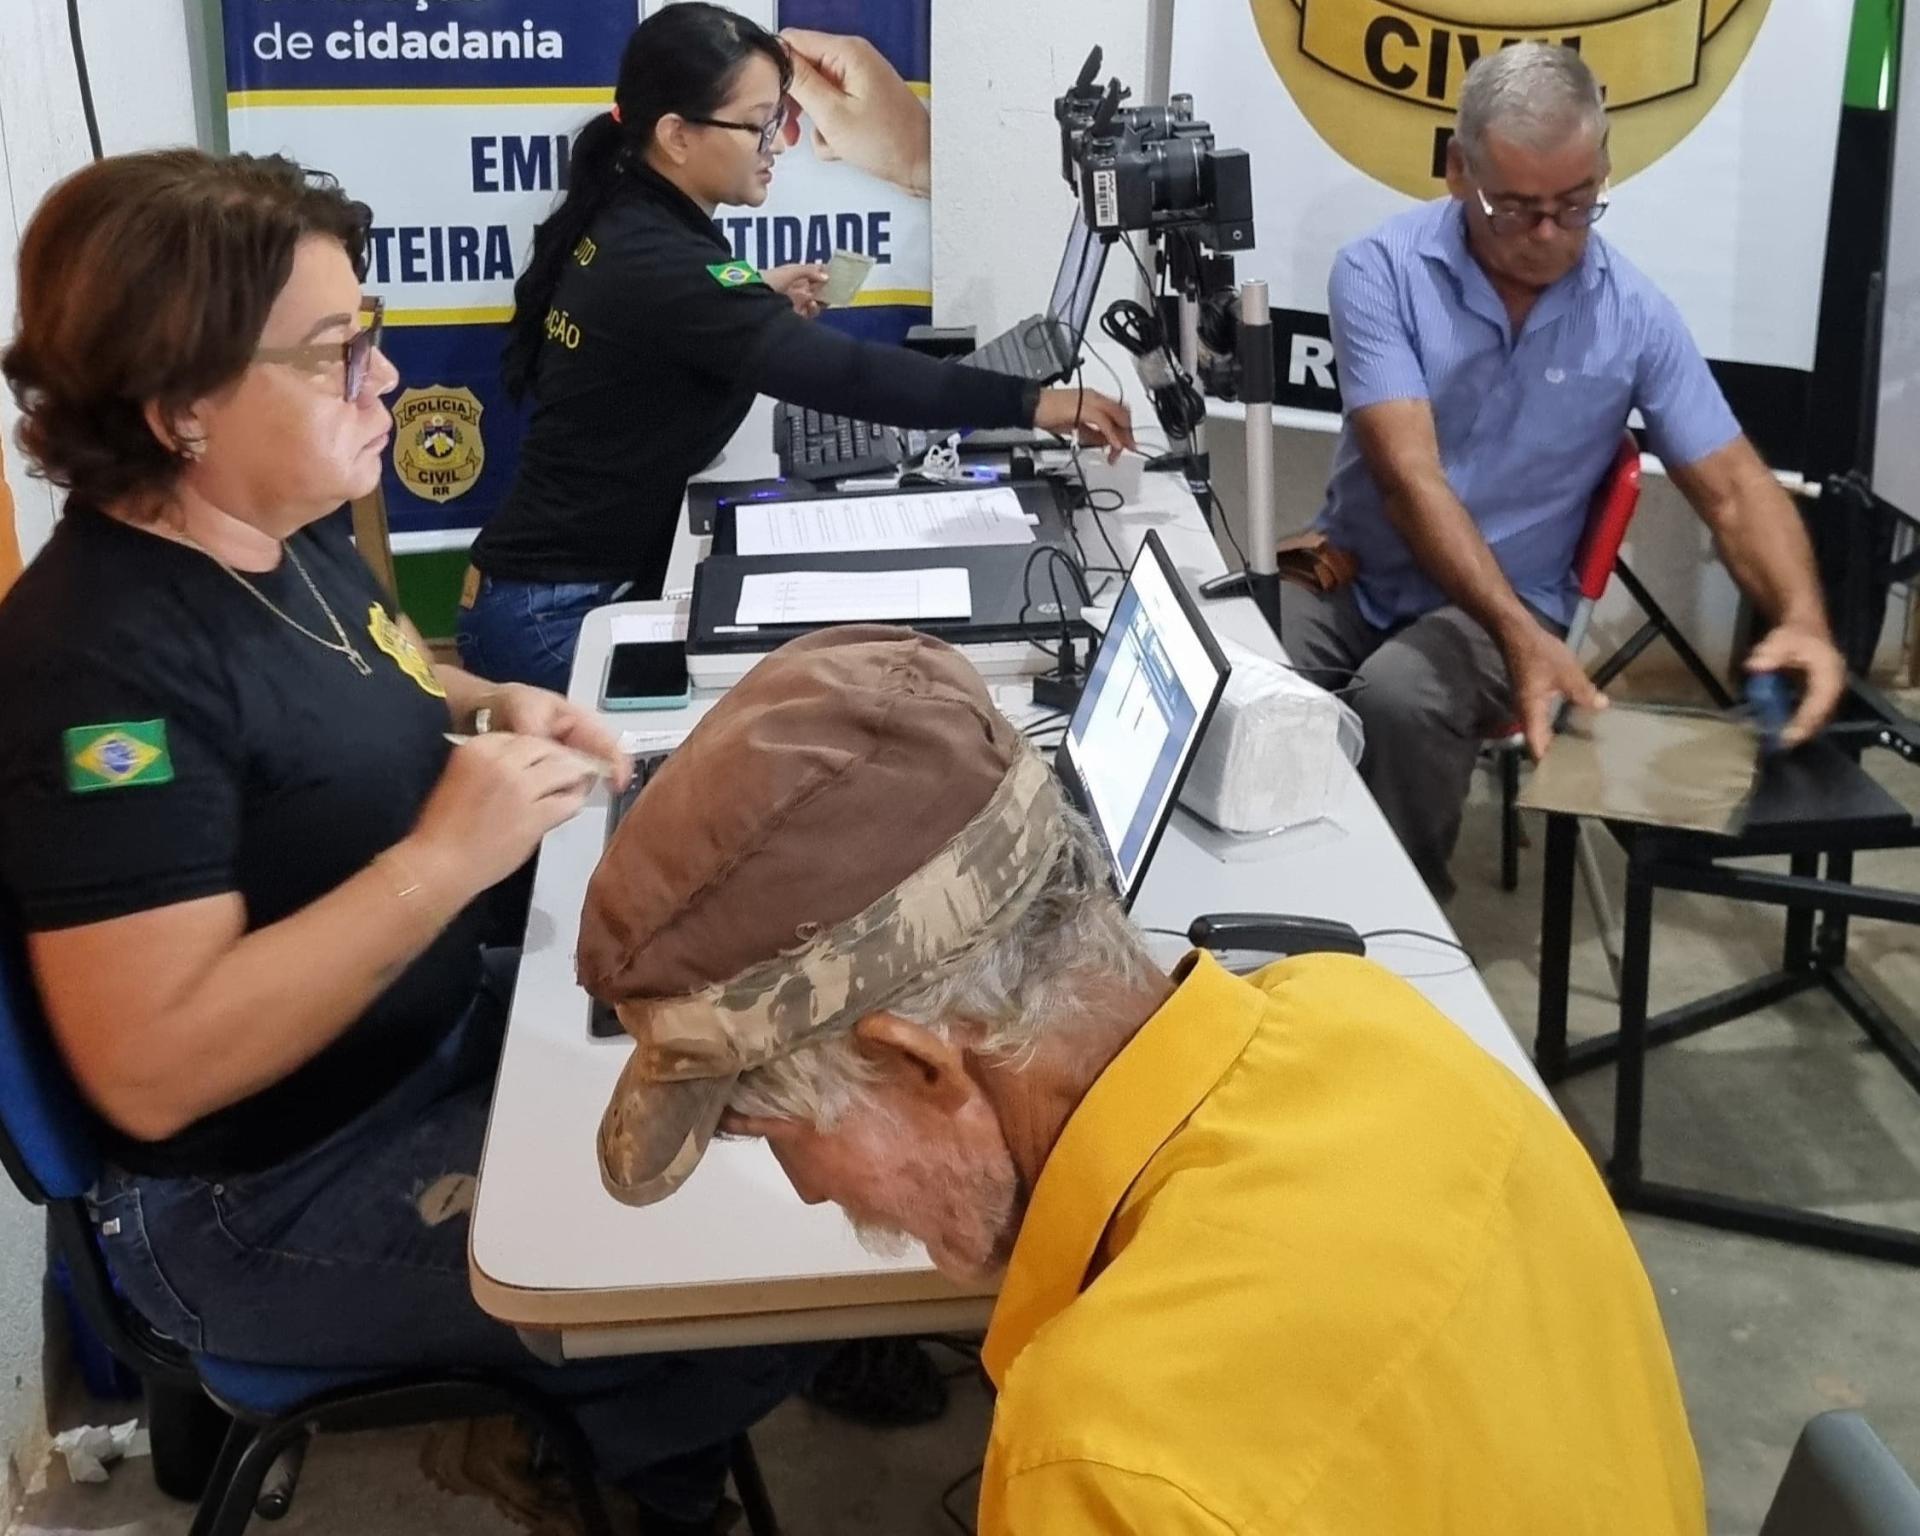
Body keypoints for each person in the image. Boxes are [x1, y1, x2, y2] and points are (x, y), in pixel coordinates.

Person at [0, 150, 821, 1536]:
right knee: (774, 1259)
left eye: (367, 336)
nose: (382, 381)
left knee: (820, 1090)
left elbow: (364, 680)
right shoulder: (104, 675)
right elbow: (152, 1072)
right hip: (258, 1198)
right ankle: (594, 1458)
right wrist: (445, 856)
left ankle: (603, 1426)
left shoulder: (280, 528)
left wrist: (492, 697)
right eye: (336, 355)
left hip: (429, 1044)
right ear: (182, 405)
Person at [576, 625, 1709, 1536]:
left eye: (775, 1133)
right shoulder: (1368, 1016)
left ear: (915, 1057)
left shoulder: (1106, 1460)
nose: (813, 1193)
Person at [1283, 43, 1846, 897]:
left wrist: (1802, 616)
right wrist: (1516, 634)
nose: (1549, 236)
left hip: (1506, 614)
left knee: (1400, 698)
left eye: (1577, 206)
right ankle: (1262, 901)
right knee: (1233, 666)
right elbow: (1410, 484)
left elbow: (1733, 489)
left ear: (1603, 173)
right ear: (1455, 170)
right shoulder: (1380, 272)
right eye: (1514, 209)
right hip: (1361, 576)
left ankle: (1393, 939)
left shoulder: (1636, 316)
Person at [460, 3, 1132, 694]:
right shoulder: (659, 257)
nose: (779, 143)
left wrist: (757, 305)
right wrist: (1031, 401)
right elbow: (847, 375)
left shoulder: (638, 213)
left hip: (556, 590)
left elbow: (670, 329)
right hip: (554, 620)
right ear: (677, 136)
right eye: (758, 125)